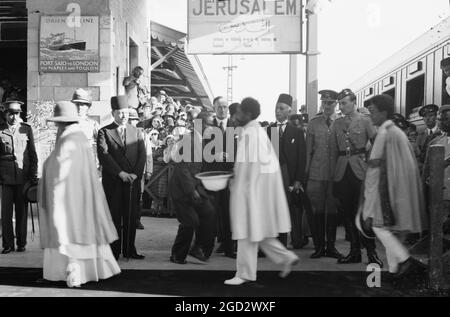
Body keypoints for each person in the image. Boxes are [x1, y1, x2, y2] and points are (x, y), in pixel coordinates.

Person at [38, 101, 120, 287]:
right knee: (83, 234)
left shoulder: (68, 140)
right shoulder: (79, 137)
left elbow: (59, 170)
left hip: (68, 198)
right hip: (82, 195)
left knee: (69, 235)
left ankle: (73, 272)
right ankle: (89, 271)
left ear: (61, 122)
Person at [225, 97, 299, 286]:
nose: (237, 114)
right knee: (258, 232)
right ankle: (285, 257)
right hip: (257, 189)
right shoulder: (255, 131)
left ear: (248, 114)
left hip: (251, 190)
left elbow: (246, 166)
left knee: (246, 233)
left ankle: (244, 273)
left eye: (240, 111)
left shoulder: (251, 134)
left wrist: (237, 185)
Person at [361, 94, 427, 277]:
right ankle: (393, 269)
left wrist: (369, 201)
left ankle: (404, 260)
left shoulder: (385, 132)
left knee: (379, 227)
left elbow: (374, 169)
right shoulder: (395, 131)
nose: (370, 116)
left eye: (373, 112)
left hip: (387, 192)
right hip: (399, 192)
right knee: (393, 233)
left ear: (383, 112)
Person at [330, 89, 382, 266]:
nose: (341, 106)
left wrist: (373, 167)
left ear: (354, 102)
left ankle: (372, 253)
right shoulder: (337, 124)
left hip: (361, 171)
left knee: (365, 214)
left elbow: (377, 145)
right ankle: (354, 252)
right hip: (342, 172)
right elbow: (332, 152)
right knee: (347, 214)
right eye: (340, 103)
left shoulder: (365, 121)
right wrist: (332, 176)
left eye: (344, 103)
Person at [97, 96, 146, 260]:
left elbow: (142, 156)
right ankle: (114, 251)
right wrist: (121, 173)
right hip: (114, 182)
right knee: (115, 217)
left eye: (126, 112)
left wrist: (135, 174)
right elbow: (104, 156)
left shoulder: (137, 131)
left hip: (133, 181)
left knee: (131, 217)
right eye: (120, 112)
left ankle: (130, 249)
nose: (123, 116)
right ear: (113, 113)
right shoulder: (104, 132)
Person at [169, 111, 216, 264]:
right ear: (200, 124)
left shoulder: (204, 140)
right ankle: (177, 255)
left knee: (209, 213)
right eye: (209, 124)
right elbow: (183, 170)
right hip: (183, 189)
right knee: (190, 221)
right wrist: (192, 191)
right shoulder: (189, 140)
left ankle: (197, 248)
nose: (212, 127)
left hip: (196, 187)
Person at [267, 94, 307, 249]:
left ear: (289, 111)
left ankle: (286, 242)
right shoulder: (268, 131)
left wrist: (298, 180)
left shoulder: (296, 133)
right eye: (276, 107)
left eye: (281, 108)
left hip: (289, 178)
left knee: (288, 210)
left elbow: (301, 158)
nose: (278, 111)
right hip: (271, 178)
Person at [306, 90, 343, 259]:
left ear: (336, 104)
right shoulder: (314, 123)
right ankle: (319, 246)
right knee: (318, 211)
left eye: (331, 103)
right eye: (325, 103)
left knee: (333, 210)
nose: (327, 106)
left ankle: (331, 247)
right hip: (316, 173)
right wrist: (306, 173)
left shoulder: (342, 123)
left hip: (335, 173)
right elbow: (308, 152)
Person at [0, 100, 38, 254]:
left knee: (22, 213)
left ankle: (21, 243)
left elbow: (32, 154)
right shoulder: (0, 130)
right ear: (5, 114)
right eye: (11, 114)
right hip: (5, 178)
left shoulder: (26, 129)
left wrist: (34, 174)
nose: (14, 117)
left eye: (17, 113)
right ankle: (7, 244)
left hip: (23, 177)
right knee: (6, 213)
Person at [203, 96, 236, 259]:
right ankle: (206, 250)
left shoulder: (235, 127)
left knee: (228, 213)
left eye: (225, 107)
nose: (222, 110)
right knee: (211, 214)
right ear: (214, 108)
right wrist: (213, 155)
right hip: (213, 176)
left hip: (230, 177)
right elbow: (200, 151)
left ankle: (229, 248)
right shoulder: (207, 127)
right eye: (219, 107)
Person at [423, 105, 450, 240]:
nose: (441, 122)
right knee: (440, 234)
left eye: (446, 119)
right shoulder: (434, 142)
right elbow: (427, 170)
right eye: (440, 119)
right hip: (440, 196)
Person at [71, 88, 99, 153]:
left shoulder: (93, 125)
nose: (79, 107)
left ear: (87, 107)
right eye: (77, 104)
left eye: (82, 104)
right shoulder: (66, 125)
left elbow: (101, 146)